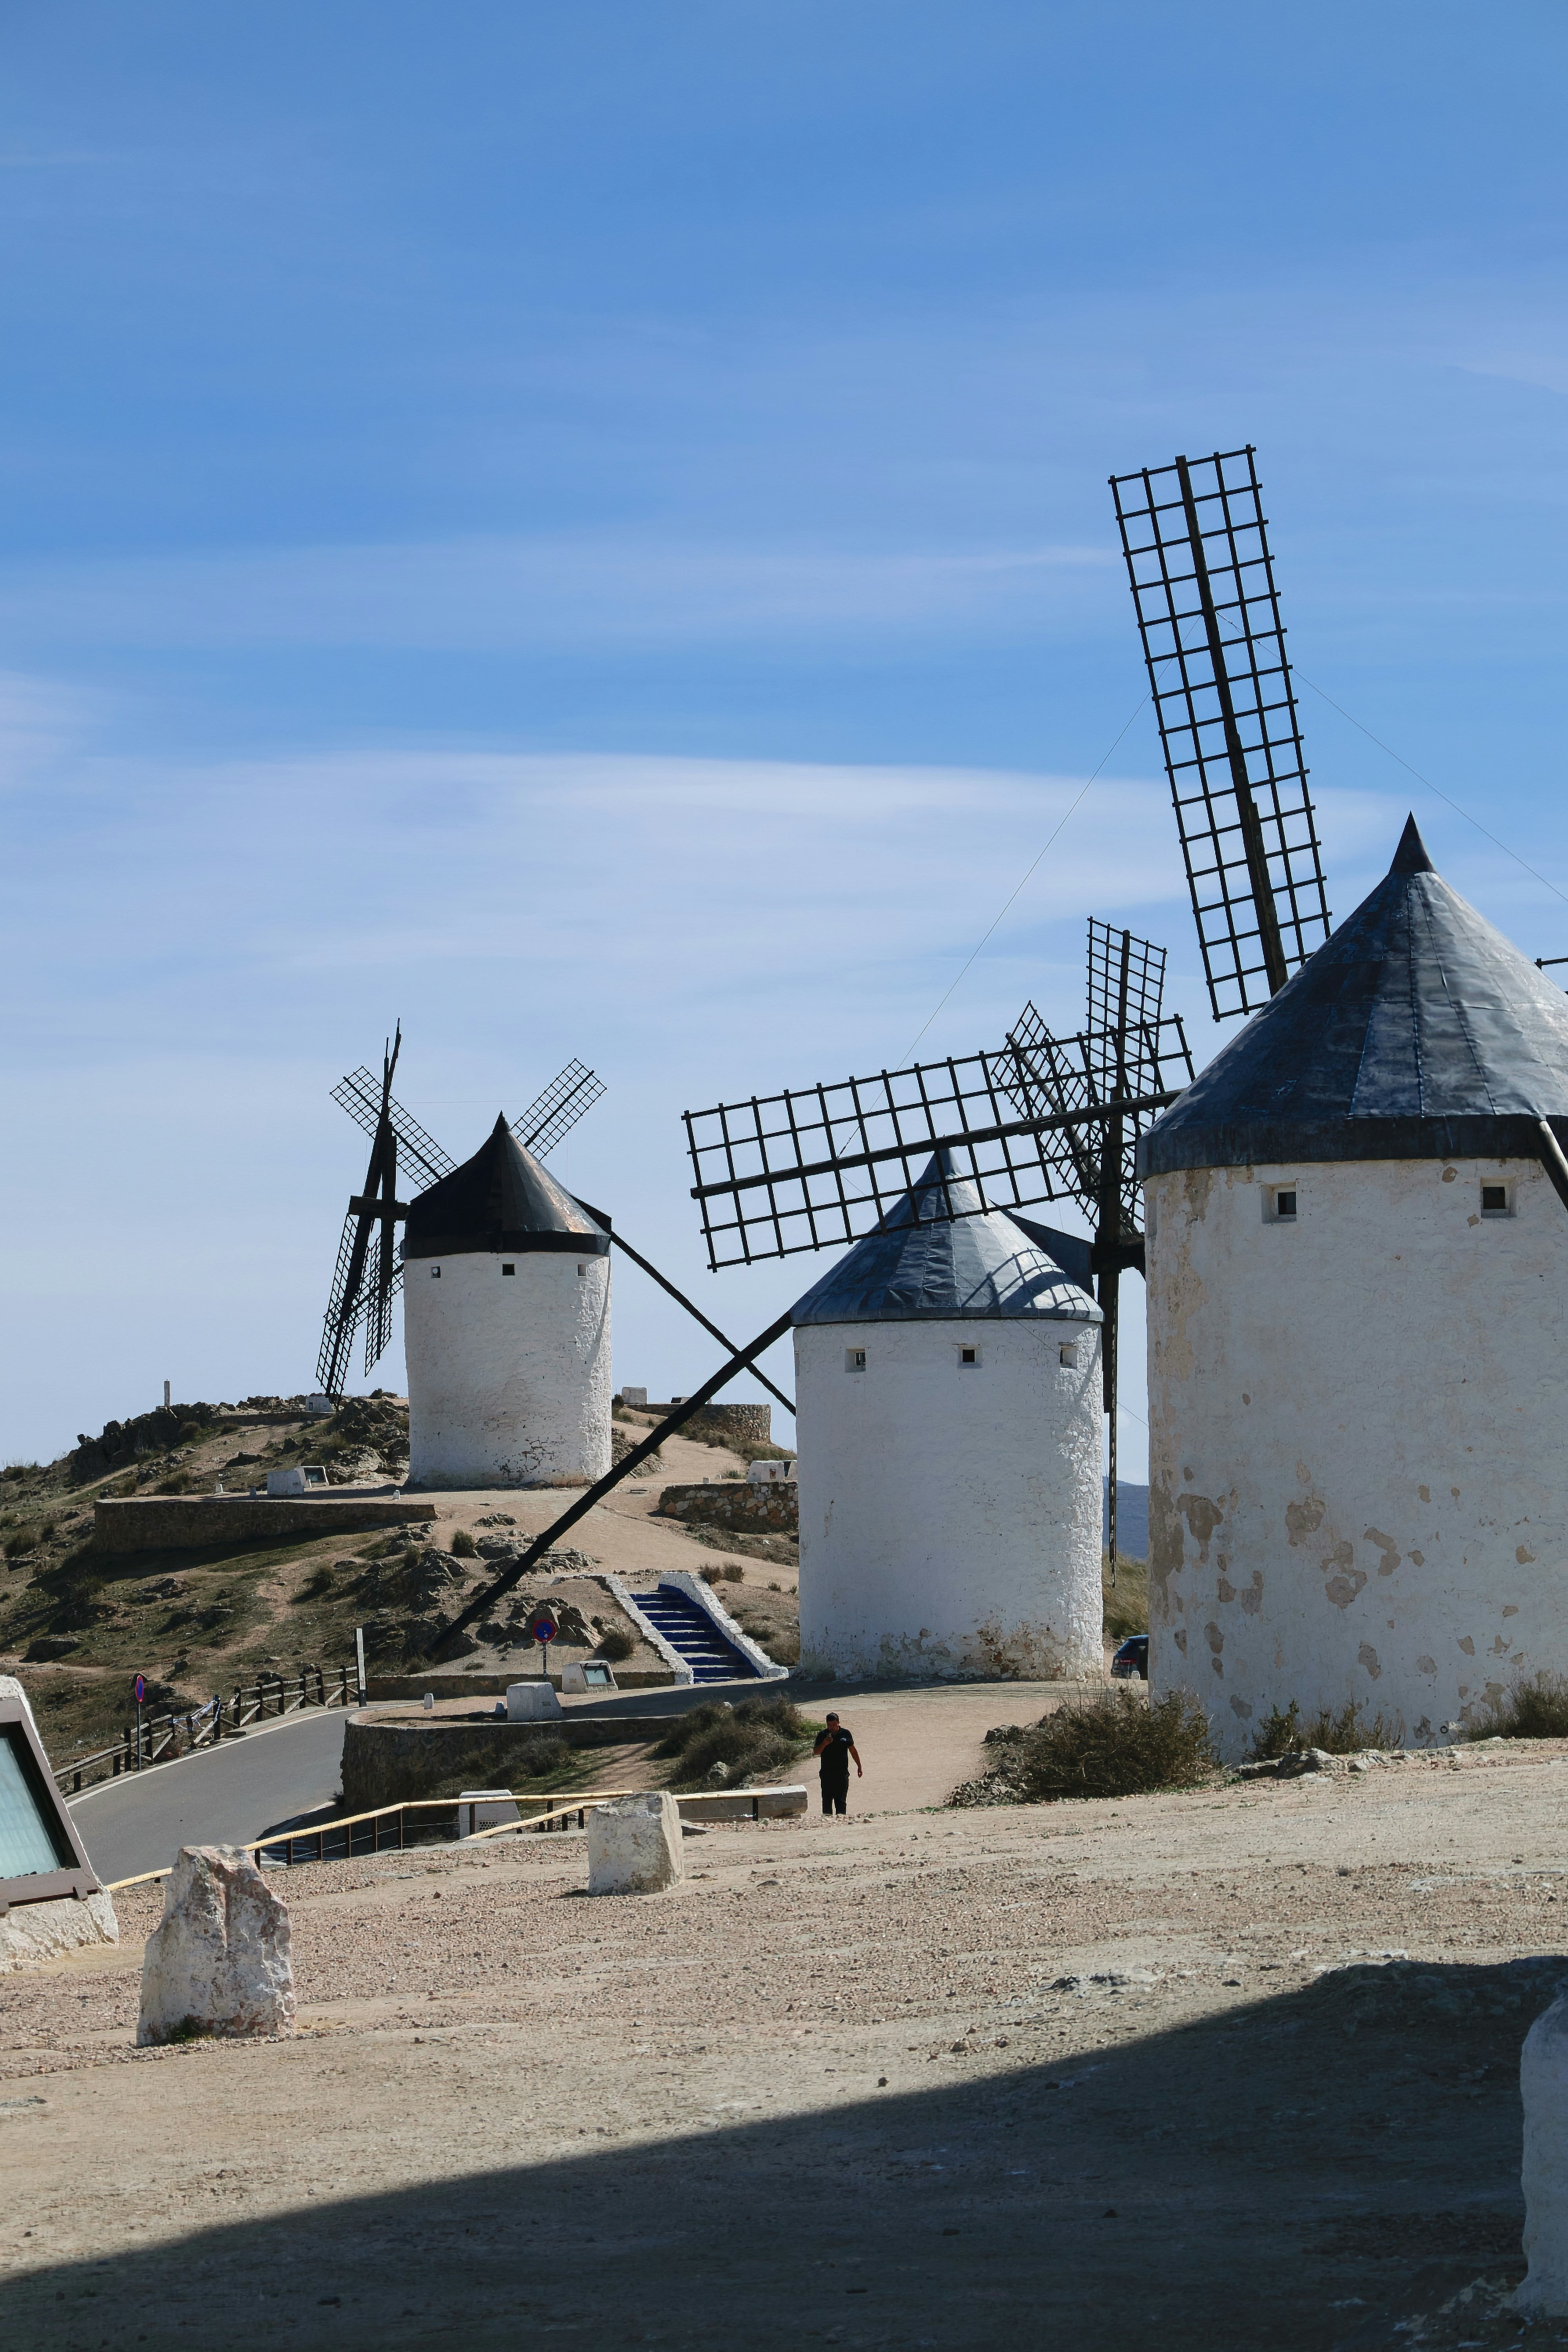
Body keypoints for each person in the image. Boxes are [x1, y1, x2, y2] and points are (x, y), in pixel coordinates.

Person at [813, 1711, 862, 1815]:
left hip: (842, 1775)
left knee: (841, 1803)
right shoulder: (823, 1735)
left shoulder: (846, 1734)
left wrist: (859, 1766)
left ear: (838, 1723)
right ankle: (827, 1823)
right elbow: (816, 1752)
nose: (832, 1727)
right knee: (827, 1803)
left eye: (834, 1724)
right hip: (827, 1775)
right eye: (829, 1725)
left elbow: (853, 1751)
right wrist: (824, 1744)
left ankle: (841, 1823)